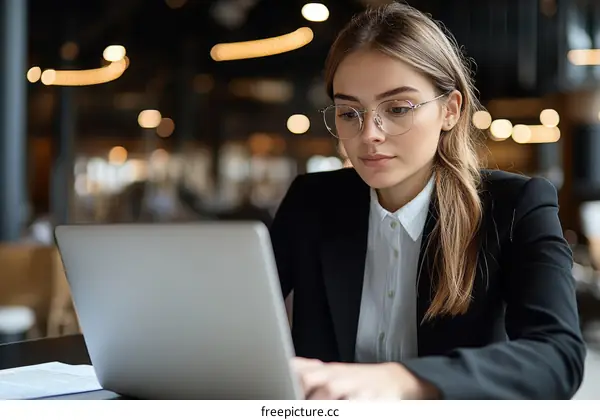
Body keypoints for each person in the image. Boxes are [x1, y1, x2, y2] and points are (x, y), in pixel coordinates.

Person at [269, 2, 586, 400]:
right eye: (350, 113)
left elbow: (558, 357)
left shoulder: (516, 206)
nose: (369, 134)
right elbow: (233, 321)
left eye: (398, 108)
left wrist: (401, 380)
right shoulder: (311, 202)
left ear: (450, 110)